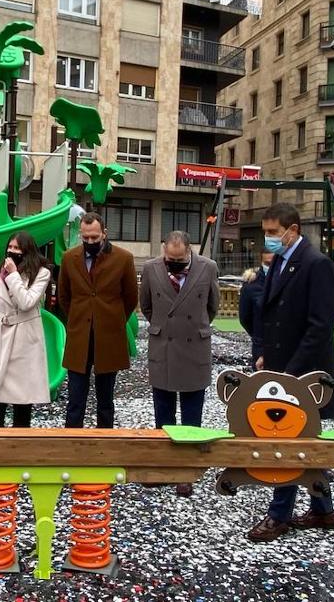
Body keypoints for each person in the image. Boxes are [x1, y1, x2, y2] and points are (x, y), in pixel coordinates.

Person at [244, 202, 334, 543]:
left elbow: (320, 327)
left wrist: (290, 374)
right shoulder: (281, 263)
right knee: (300, 441)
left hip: (304, 375)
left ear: (292, 230)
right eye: (266, 233)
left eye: (273, 233)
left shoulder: (316, 264)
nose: (268, 239)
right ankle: (323, 509)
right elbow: (273, 320)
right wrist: (266, 357)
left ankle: (279, 514)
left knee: (285, 440)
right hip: (282, 369)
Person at [139, 231, 220, 496]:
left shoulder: (207, 268)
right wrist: (163, 326)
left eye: (179, 258)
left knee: (191, 414)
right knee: (163, 412)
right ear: (163, 250)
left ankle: (187, 470)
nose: (173, 261)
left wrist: (196, 325)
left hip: (193, 346)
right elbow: (147, 306)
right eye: (169, 257)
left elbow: (212, 306)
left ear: (189, 251)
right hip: (163, 345)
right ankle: (165, 466)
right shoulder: (151, 268)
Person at [58, 212, 137, 429]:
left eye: (94, 237)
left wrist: (113, 319)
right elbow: (64, 297)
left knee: (105, 401)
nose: (90, 242)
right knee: (75, 401)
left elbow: (131, 298)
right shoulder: (69, 258)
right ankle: (73, 446)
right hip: (79, 337)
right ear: (80, 235)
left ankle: (106, 446)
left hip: (109, 338)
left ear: (104, 233)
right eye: (86, 238)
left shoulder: (123, 258)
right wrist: (78, 317)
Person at [0, 230, 52, 428]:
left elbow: (26, 302)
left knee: (22, 400)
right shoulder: (0, 272)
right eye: (10, 247)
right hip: (0, 337)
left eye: (17, 248)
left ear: (27, 251)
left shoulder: (41, 273)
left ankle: (21, 444)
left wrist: (13, 275)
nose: (12, 252)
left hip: (24, 341)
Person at [238, 249, 274, 364]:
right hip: (262, 350)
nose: (271, 267)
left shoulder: (291, 280)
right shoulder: (251, 286)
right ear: (261, 262)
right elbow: (245, 318)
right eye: (268, 264)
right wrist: (258, 337)